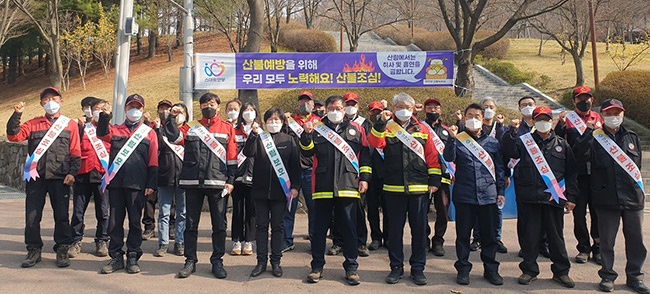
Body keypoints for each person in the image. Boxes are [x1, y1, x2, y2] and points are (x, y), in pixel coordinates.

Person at [574, 99, 648, 293]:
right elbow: (579, 156)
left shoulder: (632, 137)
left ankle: (635, 276)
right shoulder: (595, 137)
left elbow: (636, 167)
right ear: (602, 116)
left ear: (622, 114)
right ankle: (607, 276)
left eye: (617, 113)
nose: (614, 117)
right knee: (606, 241)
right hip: (606, 198)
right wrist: (588, 133)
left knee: (636, 241)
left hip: (632, 198)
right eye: (609, 113)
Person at [368, 93, 442, 286]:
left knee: (419, 231)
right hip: (393, 187)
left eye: (407, 107)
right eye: (399, 106)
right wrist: (380, 124)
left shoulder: (423, 129)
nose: (404, 110)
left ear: (413, 109)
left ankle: (418, 269)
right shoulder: (387, 128)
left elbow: (432, 157)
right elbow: (375, 143)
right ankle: (396, 267)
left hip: (419, 188)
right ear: (393, 108)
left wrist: (434, 180)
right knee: (394, 232)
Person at [502, 106, 578, 288]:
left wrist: (572, 197)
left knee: (556, 238)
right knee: (529, 237)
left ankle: (561, 272)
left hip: (554, 200)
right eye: (539, 119)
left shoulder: (562, 145)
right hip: (529, 198)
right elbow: (507, 151)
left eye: (546, 119)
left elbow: (572, 173)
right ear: (533, 122)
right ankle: (529, 270)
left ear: (552, 122)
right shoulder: (523, 142)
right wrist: (512, 130)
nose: (543, 122)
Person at [300, 95, 371, 286]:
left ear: (344, 109)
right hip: (322, 186)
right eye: (331, 107)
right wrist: (306, 135)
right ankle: (316, 267)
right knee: (319, 230)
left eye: (338, 108)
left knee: (349, 229)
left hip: (348, 185)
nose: (334, 110)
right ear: (325, 109)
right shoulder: (316, 128)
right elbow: (306, 153)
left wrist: (364, 178)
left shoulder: (357, 129)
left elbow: (365, 157)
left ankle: (351, 267)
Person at [7, 87, 81, 268]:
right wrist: (16, 115)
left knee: (62, 216)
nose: (51, 102)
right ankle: (33, 250)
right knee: (32, 216)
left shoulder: (69, 124)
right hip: (36, 177)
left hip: (60, 177)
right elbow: (13, 136)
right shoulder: (33, 123)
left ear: (61, 101)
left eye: (54, 99)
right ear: (41, 104)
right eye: (46, 99)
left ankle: (62, 248)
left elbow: (75, 151)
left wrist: (72, 173)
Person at [177, 93, 238, 279]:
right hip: (193, 182)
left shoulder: (227, 128)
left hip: (218, 183)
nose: (208, 106)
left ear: (218, 107)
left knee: (219, 224)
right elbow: (174, 138)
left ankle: (217, 261)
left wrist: (231, 181)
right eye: (204, 104)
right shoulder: (191, 127)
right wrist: (174, 120)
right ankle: (190, 260)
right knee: (191, 224)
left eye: (211, 103)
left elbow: (232, 156)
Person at [444, 103, 505, 286]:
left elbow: (500, 170)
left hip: (488, 196)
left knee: (489, 236)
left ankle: (491, 270)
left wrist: (500, 192)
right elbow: (448, 158)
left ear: (483, 118)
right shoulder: (459, 139)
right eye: (469, 115)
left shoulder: (493, 143)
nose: (473, 119)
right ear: (464, 118)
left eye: (477, 116)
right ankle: (463, 269)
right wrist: (451, 139)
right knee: (463, 236)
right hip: (465, 195)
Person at [97, 94, 159, 274]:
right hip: (116, 184)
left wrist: (151, 184)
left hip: (137, 185)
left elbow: (153, 160)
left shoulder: (149, 133)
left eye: (138, 107)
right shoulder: (115, 130)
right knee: (115, 222)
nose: (134, 110)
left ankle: (133, 255)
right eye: (131, 107)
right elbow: (101, 133)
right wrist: (104, 116)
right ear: (125, 110)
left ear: (142, 110)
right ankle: (116, 256)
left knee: (134, 222)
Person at [244, 107, 300, 278]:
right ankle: (261, 262)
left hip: (280, 192)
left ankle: (276, 261)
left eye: (276, 120)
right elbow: (247, 152)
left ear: (282, 122)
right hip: (260, 191)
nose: (273, 123)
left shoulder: (289, 140)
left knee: (278, 227)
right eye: (270, 120)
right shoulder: (260, 138)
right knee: (261, 227)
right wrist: (253, 135)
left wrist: (295, 187)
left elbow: (295, 166)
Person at [556, 85, 602, 265]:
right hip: (578, 174)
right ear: (574, 101)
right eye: (580, 99)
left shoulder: (599, 118)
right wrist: (559, 125)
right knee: (579, 213)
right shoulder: (567, 120)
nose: (585, 102)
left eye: (587, 98)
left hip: (598, 173)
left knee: (598, 212)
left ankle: (598, 247)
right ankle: (583, 247)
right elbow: (559, 143)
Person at [328, 91, 371, 257]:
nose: (349, 107)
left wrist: (365, 178)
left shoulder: (361, 126)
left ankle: (360, 243)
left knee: (357, 212)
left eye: (352, 104)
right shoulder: (324, 127)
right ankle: (338, 242)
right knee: (335, 214)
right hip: (332, 178)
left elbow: (366, 154)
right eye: (347, 103)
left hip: (353, 178)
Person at [69, 97, 110, 258]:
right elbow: (73, 147)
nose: (99, 111)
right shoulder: (81, 128)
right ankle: (76, 240)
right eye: (96, 108)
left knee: (103, 211)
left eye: (103, 108)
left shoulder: (108, 129)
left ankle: (102, 240)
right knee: (78, 211)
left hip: (101, 175)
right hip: (82, 174)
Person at [283, 90, 320, 252]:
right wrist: (285, 122)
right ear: (297, 104)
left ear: (313, 104)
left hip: (311, 170)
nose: (305, 104)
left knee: (314, 208)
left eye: (308, 101)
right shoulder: (290, 121)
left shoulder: (320, 122)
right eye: (301, 101)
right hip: (291, 170)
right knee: (289, 207)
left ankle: (314, 238)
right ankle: (286, 240)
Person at [153, 101, 189, 257]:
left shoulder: (190, 131)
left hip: (184, 177)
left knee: (182, 212)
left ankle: (180, 242)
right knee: (164, 212)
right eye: (174, 111)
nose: (177, 114)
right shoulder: (162, 132)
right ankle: (163, 243)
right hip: (164, 176)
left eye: (180, 112)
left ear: (186, 115)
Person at [422, 98, 452, 257]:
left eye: (436, 107)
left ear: (440, 110)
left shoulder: (447, 130)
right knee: (422, 211)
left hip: (443, 177)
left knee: (443, 211)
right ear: (424, 110)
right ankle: (424, 240)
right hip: (423, 177)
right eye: (429, 107)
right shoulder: (419, 128)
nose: (433, 110)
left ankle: (438, 241)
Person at [230, 102, 259, 256]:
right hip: (237, 177)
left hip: (255, 177)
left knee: (251, 211)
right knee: (238, 210)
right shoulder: (234, 131)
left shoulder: (261, 131)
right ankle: (236, 240)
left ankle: (248, 241)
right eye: (246, 110)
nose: (248, 113)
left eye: (251, 110)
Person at [365, 101, 388, 251]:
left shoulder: (391, 128)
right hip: (371, 176)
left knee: (389, 210)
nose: (376, 114)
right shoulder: (364, 128)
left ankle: (388, 237)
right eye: (373, 112)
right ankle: (375, 238)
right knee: (372, 209)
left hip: (387, 176)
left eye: (378, 112)